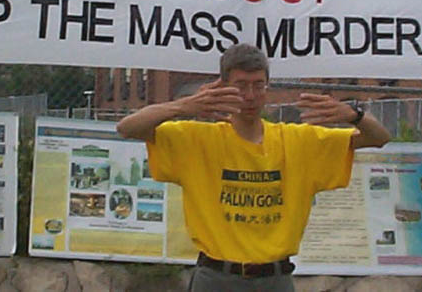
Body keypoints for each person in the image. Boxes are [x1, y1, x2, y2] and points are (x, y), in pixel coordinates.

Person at [117, 43, 390, 292]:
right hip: (216, 277)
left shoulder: (297, 140)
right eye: (240, 85)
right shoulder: (198, 139)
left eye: (258, 85)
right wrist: (183, 106)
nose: (250, 95)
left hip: (275, 278)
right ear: (223, 86)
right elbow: (128, 128)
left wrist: (355, 115)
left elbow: (379, 138)